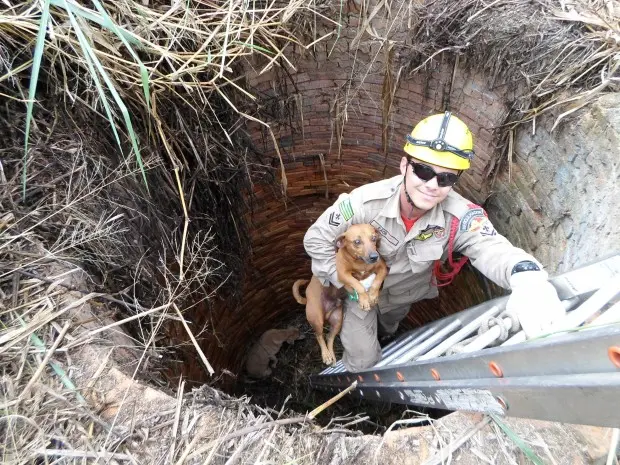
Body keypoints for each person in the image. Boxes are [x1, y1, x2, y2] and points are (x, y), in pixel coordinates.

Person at [303, 111, 565, 372]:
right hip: (358, 293)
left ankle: (384, 337)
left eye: (446, 177)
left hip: (400, 299)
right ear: (405, 166)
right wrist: (341, 281)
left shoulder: (458, 217)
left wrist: (527, 278)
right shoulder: (365, 203)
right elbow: (316, 239)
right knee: (362, 360)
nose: (432, 184)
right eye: (423, 170)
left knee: (389, 329)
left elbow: (492, 247)